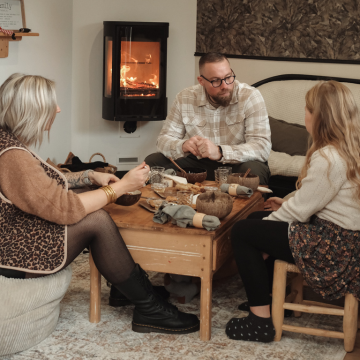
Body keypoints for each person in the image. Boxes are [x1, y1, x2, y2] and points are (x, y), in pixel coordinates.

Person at [0, 73, 200, 335]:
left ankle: (124, 289)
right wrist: (121, 187)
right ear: (33, 111)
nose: (58, 109)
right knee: (96, 219)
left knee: (92, 198)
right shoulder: (13, 157)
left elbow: (43, 186)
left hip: (14, 233)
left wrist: (89, 176)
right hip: (15, 254)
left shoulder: (9, 141)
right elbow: (65, 209)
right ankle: (147, 307)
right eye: (52, 104)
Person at [226, 80, 360, 343]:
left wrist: (273, 223)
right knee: (257, 220)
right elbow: (315, 196)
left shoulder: (329, 157)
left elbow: (298, 213)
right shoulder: (349, 149)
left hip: (332, 248)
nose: (305, 114)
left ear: (320, 117)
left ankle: (260, 322)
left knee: (242, 231)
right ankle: (266, 298)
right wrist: (281, 208)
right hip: (347, 241)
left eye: (307, 110)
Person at [145, 52, 271, 185]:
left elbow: (261, 147)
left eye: (228, 77)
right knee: (153, 162)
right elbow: (163, 140)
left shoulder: (250, 96)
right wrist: (183, 146)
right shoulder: (185, 98)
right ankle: (166, 204)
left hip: (237, 164)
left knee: (254, 172)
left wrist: (220, 152)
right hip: (197, 163)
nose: (225, 86)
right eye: (216, 81)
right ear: (201, 81)